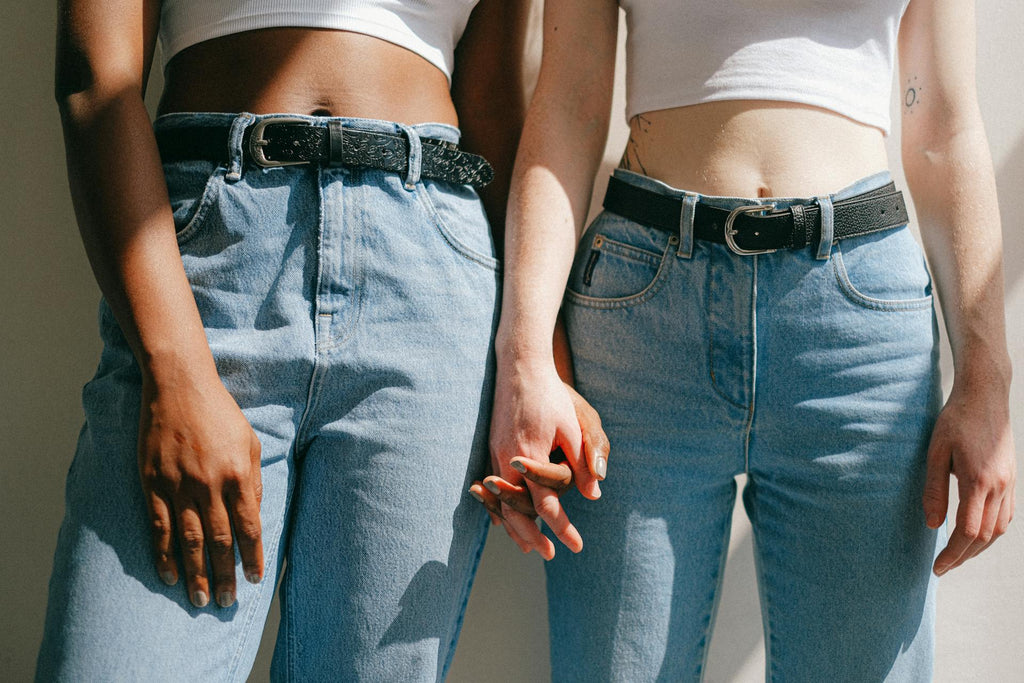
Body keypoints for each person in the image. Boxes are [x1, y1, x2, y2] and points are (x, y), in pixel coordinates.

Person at [35, 0, 609, 679]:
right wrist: (177, 369)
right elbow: (95, 75)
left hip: (431, 276)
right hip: (210, 271)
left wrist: (540, 367)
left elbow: (490, 108)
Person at [483, 0, 1017, 680]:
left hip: (857, 336)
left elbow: (945, 125)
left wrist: (987, 377)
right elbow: (566, 106)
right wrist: (524, 355)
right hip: (642, 318)